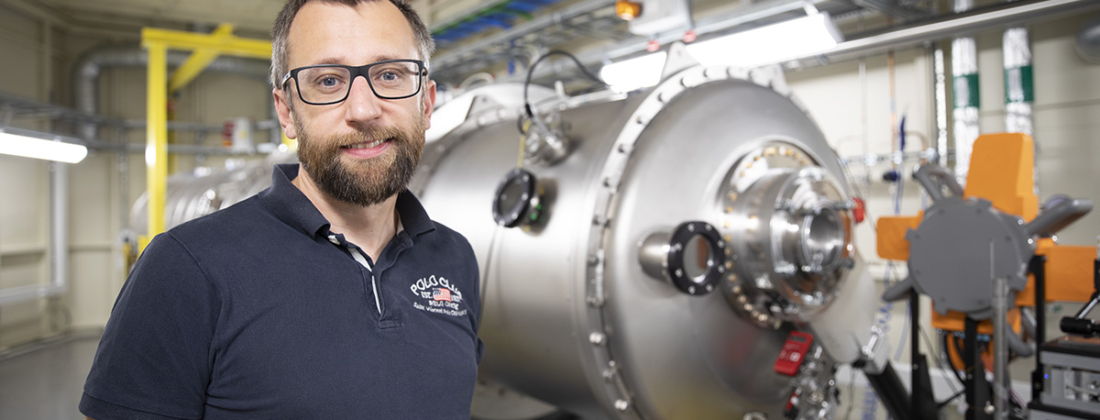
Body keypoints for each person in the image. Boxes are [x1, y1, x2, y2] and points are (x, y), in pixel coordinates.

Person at [79, 1, 483, 418]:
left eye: (390, 74)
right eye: (328, 81)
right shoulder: (187, 268)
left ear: (427, 102)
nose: (363, 110)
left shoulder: (455, 259)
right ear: (287, 112)